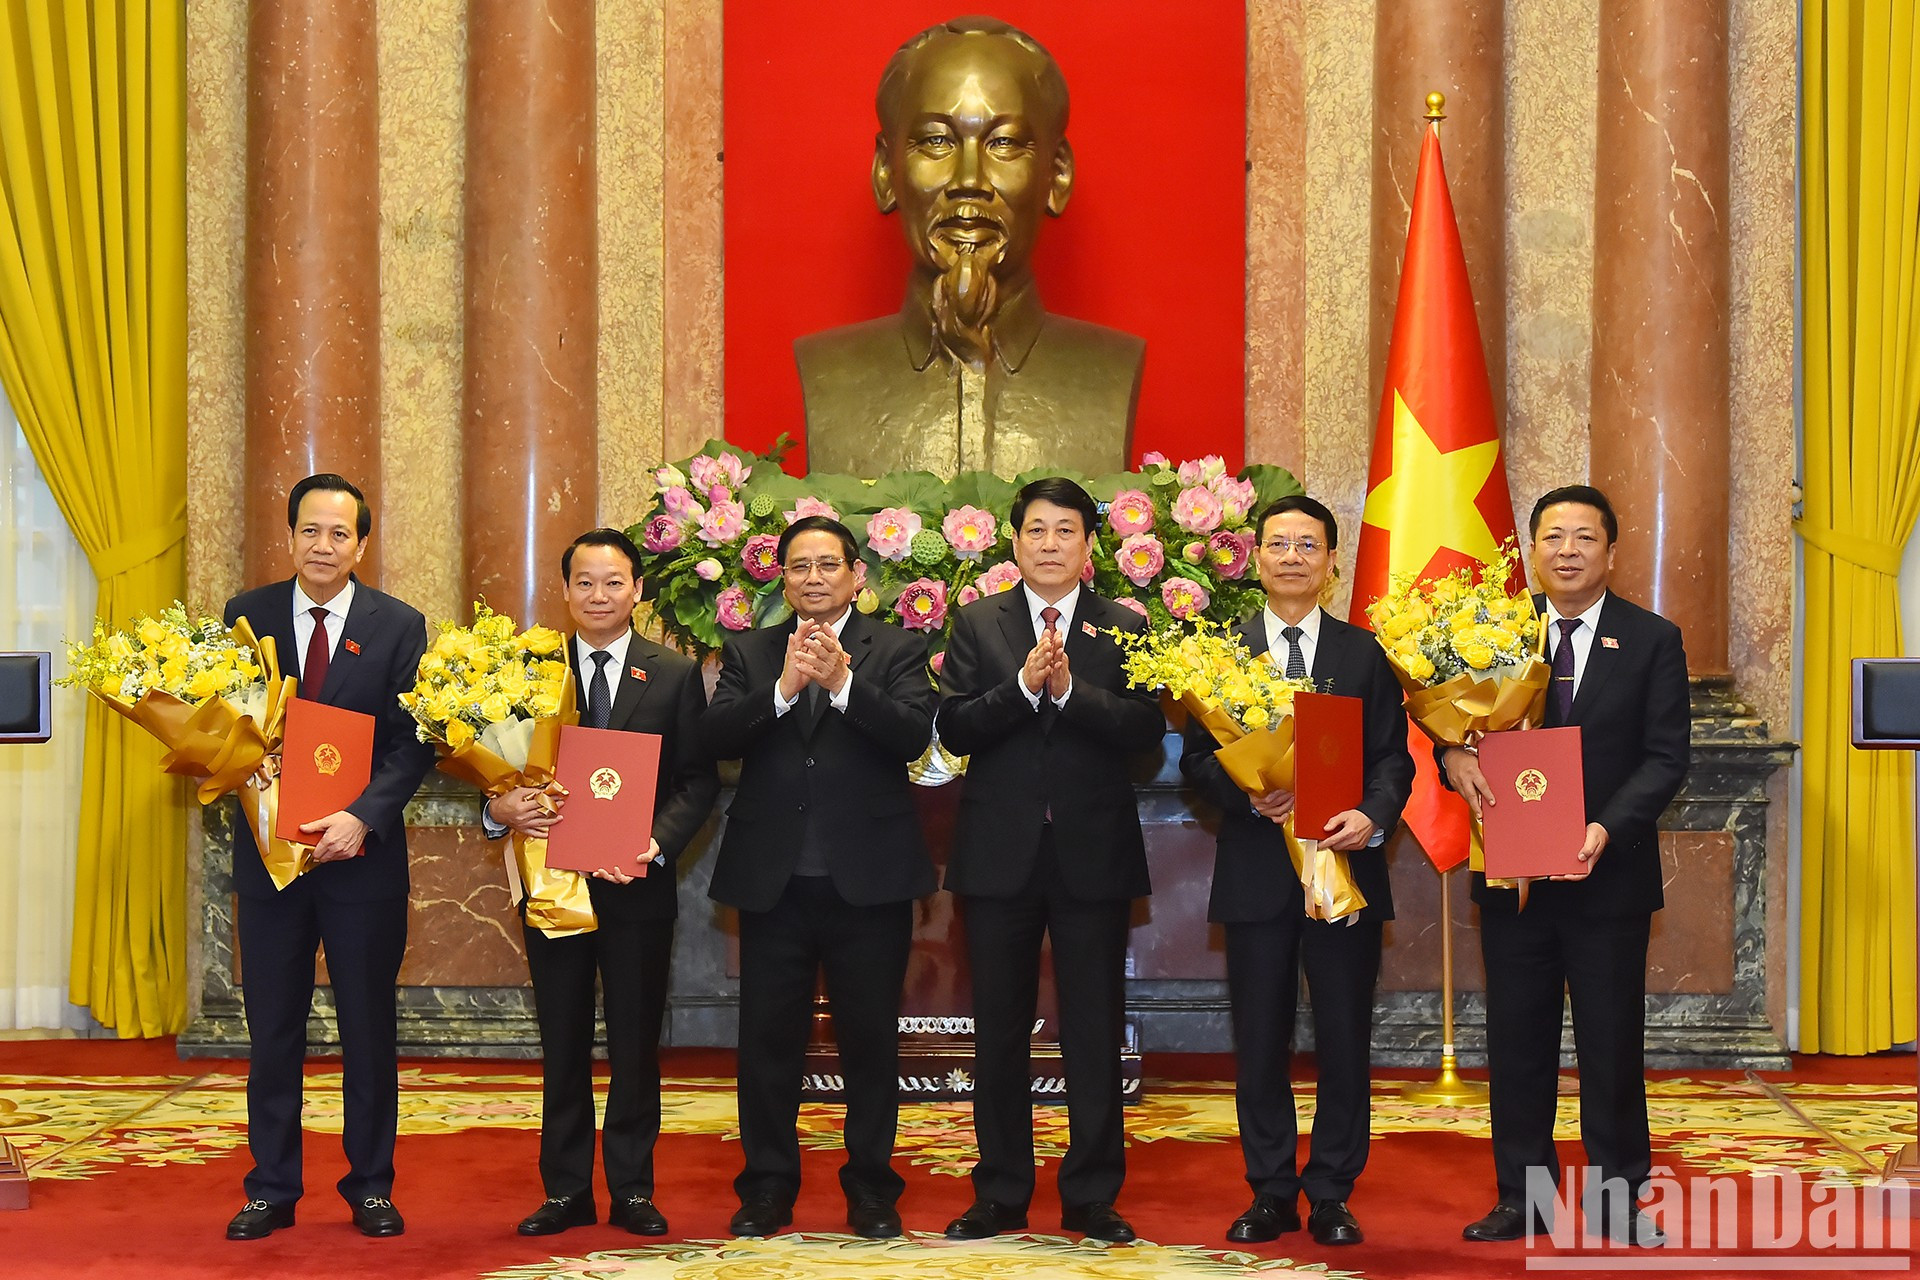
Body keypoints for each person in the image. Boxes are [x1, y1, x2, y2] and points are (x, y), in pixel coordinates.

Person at [1442, 485, 1689, 1247]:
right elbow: (1454, 729)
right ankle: (1524, 1198)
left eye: (1585, 537)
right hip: (1513, 878)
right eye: (1553, 536)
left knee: (1611, 1046)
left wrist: (1603, 829)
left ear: (1611, 551)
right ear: (1532, 550)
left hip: (1606, 877)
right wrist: (1453, 757)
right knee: (1517, 1043)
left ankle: (1618, 1199)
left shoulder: (1651, 638)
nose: (1568, 550)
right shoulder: (1492, 635)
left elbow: (1665, 757)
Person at [1179, 495, 1413, 1247]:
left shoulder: (1362, 653)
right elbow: (1195, 762)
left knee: (1344, 1037)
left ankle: (1333, 1192)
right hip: (1257, 875)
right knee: (1260, 1041)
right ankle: (1271, 1191)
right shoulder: (1221, 651)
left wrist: (1371, 815)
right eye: (1278, 543)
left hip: (1344, 869)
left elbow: (1393, 759)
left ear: (1331, 561)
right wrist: (1248, 794)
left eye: (1308, 545)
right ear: (1256, 558)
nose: (1292, 557)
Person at [937, 477, 1165, 1244]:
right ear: (1014, 542)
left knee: (1092, 1029)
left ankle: (1092, 1194)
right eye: (1036, 530)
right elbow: (955, 727)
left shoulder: (1123, 624)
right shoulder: (978, 622)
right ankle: (1000, 1192)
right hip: (998, 854)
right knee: (998, 1030)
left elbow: (1144, 732)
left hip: (1090, 853)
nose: (1049, 544)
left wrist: (1069, 694)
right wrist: (1022, 687)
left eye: (1066, 530)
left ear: (1090, 545)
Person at [701, 515, 938, 1240]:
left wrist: (842, 683)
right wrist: (781, 689)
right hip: (773, 879)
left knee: (870, 1041)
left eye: (827, 564)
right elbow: (716, 738)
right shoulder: (749, 650)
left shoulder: (896, 647)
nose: (813, 577)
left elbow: (912, 736)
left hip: (868, 878)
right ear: (782, 578)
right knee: (767, 1043)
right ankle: (767, 1188)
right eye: (799, 566)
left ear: (856, 575)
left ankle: (871, 1190)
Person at [482, 528, 719, 1238]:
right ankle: (565, 1192)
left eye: (613, 582)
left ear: (637, 590)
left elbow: (697, 781)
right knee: (561, 1042)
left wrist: (656, 845)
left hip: (633, 885)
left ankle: (632, 1189)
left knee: (635, 1044)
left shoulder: (673, 674)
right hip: (552, 886)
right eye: (584, 582)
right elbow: (493, 772)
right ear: (564, 590)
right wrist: (498, 810)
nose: (598, 595)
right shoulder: (526, 674)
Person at [221, 474, 435, 1241]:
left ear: (362, 544)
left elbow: (415, 741)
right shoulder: (244, 617)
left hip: (361, 862)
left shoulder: (399, 625)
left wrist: (363, 817)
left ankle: (370, 1187)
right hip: (271, 862)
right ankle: (271, 1188)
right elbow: (221, 723)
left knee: (367, 1030)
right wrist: (246, 765)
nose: (323, 545)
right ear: (290, 537)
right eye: (310, 530)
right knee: (273, 1030)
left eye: (339, 533)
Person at [795, 16, 1142, 479]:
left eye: (1004, 143)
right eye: (936, 141)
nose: (969, 180)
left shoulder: (1110, 372)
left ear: (1057, 175)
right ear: (886, 172)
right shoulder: (829, 372)